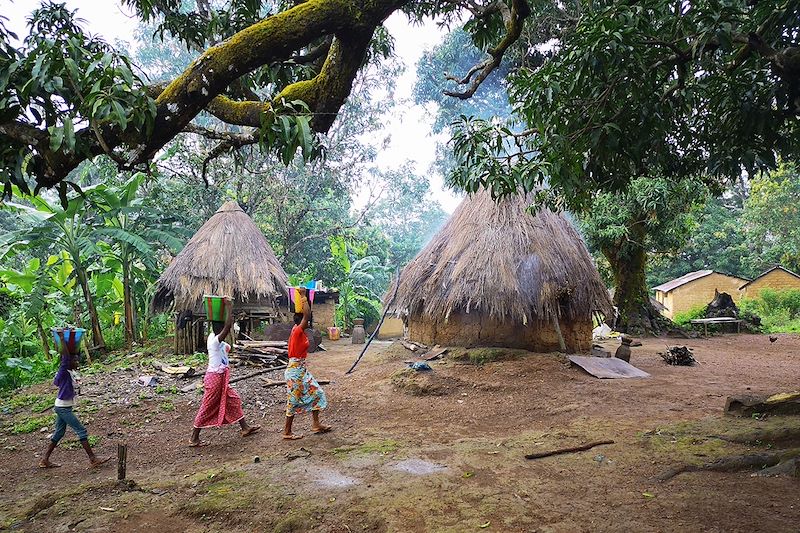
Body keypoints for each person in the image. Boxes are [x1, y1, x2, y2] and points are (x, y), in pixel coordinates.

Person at [190, 298, 260, 447]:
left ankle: (245, 427)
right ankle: (194, 437)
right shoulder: (214, 341)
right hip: (215, 378)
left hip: (220, 378)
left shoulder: (215, 339)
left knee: (233, 400)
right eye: (222, 328)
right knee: (207, 406)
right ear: (219, 329)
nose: (224, 331)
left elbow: (226, 344)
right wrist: (229, 308)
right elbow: (228, 326)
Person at [39, 330, 109, 468]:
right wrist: (61, 338)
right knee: (81, 430)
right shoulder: (64, 370)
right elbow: (65, 356)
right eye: (75, 360)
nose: (77, 362)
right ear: (68, 362)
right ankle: (93, 459)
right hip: (63, 408)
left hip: (64, 406)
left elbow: (70, 358)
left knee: (59, 432)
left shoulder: (71, 372)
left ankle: (44, 460)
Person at [283, 287, 331, 440]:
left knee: (317, 393)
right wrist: (303, 296)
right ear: (301, 320)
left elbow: (306, 315)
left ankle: (316, 425)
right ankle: (287, 432)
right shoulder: (297, 331)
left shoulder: (296, 331)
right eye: (306, 320)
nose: (309, 321)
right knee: (293, 401)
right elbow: (307, 314)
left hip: (301, 370)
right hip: (294, 371)